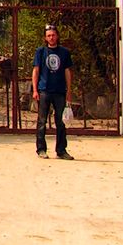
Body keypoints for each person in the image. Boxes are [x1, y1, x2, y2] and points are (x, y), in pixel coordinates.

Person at [32, 24, 74, 160]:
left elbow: (67, 72)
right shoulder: (41, 52)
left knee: (60, 122)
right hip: (44, 90)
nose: (51, 37)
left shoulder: (64, 53)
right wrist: (35, 89)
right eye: (49, 35)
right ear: (45, 37)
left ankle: (61, 150)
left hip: (60, 91)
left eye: (53, 35)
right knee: (42, 121)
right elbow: (36, 71)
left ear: (57, 36)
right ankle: (41, 149)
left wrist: (69, 90)